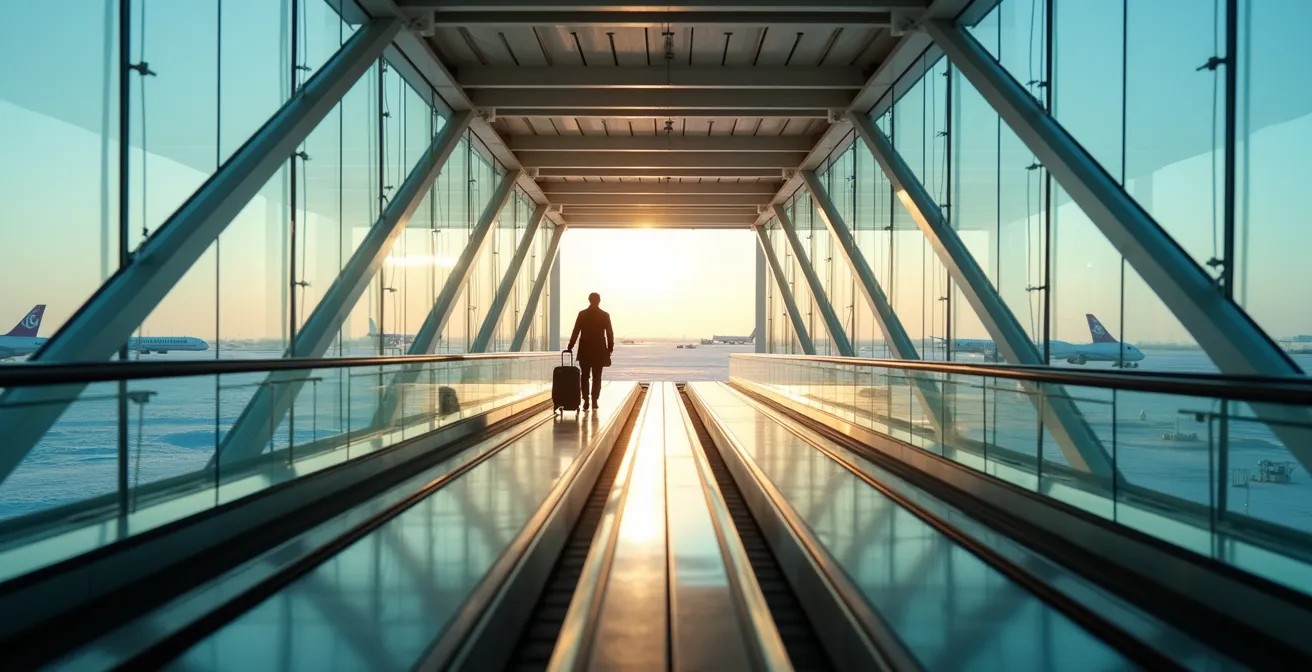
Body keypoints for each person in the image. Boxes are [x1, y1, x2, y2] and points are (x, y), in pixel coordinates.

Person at [567, 292, 614, 412]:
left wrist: (570, 346)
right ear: (599, 301)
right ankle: (594, 400)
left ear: (589, 300)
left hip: (585, 350)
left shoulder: (582, 314)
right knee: (597, 376)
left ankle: (586, 400)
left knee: (585, 376)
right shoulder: (604, 315)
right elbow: (609, 333)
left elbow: (576, 331)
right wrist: (610, 348)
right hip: (599, 350)